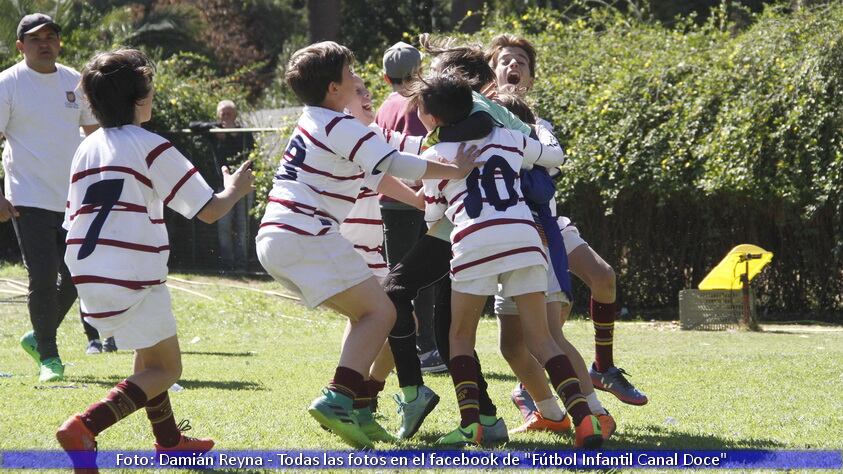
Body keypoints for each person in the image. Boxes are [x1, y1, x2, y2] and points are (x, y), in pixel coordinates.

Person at [255, 41, 478, 449]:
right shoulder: (339, 126)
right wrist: (455, 167)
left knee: (371, 314)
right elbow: (395, 162)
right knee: (385, 312)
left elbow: (396, 147)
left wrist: (439, 146)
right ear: (332, 88)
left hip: (280, 235)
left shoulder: (319, 120)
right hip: (305, 232)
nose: (360, 80)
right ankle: (338, 397)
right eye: (351, 74)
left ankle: (358, 406)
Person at [55, 48, 254, 472]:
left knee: (148, 357)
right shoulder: (151, 144)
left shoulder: (86, 148)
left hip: (87, 271)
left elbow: (73, 216)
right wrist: (236, 187)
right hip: (131, 271)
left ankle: (169, 442)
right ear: (140, 97)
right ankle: (84, 426)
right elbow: (210, 210)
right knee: (167, 368)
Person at [412, 70, 602, 448]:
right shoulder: (510, 136)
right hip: (524, 238)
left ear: (432, 118)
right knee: (543, 338)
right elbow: (554, 158)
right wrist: (540, 129)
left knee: (460, 337)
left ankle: (472, 424)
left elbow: (434, 216)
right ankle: (585, 420)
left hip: (474, 242)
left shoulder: (434, 155)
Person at [486, 33, 648, 408]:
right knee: (536, 330)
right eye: (506, 61)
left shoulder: (540, 123)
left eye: (521, 63)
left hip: (550, 225)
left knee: (603, 277)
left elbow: (551, 160)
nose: (513, 66)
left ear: (531, 78)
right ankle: (534, 390)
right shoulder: (482, 120)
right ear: (491, 72)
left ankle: (601, 368)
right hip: (515, 232)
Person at [0, 13, 101, 381]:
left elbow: (95, 137)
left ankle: (38, 337)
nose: (45, 43)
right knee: (42, 276)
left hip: (74, 198)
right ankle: (50, 359)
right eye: (35, 38)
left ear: (60, 42)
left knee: (80, 276)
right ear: (20, 46)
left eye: (51, 37)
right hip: (27, 197)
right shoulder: (7, 84)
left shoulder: (74, 80)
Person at [375, 41, 445, 373]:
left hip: (390, 201)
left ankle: (417, 344)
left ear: (386, 78)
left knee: (399, 275)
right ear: (420, 72)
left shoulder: (382, 107)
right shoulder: (421, 102)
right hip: (420, 200)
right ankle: (425, 346)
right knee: (422, 276)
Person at [212, 100, 255, 271]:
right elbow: (194, 125)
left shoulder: (244, 133)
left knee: (242, 225)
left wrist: (233, 134)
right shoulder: (214, 132)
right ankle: (227, 263)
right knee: (224, 226)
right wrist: (216, 129)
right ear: (218, 115)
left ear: (235, 115)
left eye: (229, 113)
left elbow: (252, 156)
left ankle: (241, 264)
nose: (226, 117)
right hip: (222, 187)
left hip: (243, 187)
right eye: (223, 113)